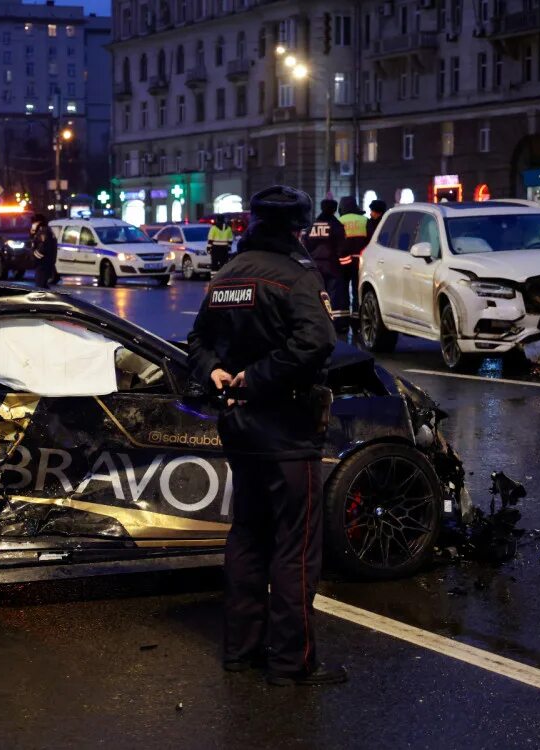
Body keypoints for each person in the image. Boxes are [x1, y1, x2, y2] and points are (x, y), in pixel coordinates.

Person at [187, 185, 342, 687]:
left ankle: (241, 651)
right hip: (288, 429)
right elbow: (317, 342)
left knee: (248, 537)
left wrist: (214, 372)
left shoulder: (226, 275)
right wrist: (257, 378)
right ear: (297, 228)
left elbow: (198, 339)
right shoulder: (296, 275)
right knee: (295, 548)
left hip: (239, 428)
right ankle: (290, 664)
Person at [303, 199, 348, 327]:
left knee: (317, 294)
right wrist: (345, 267)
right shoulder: (336, 225)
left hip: (315, 266)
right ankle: (335, 324)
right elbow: (342, 248)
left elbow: (305, 246)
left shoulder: (312, 226)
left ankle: (317, 322)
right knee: (334, 295)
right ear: (334, 210)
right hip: (332, 265)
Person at [337, 197, 369, 324]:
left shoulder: (339, 221)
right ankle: (356, 318)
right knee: (357, 290)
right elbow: (371, 241)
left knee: (343, 289)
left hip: (343, 262)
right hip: (360, 261)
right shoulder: (365, 221)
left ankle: (344, 317)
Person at [29, 213, 58, 289]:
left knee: (40, 286)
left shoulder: (43, 231)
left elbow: (42, 249)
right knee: (43, 286)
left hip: (43, 264)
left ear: (38, 222)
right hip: (45, 263)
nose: (32, 225)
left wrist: (34, 257)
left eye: (33, 223)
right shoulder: (44, 230)